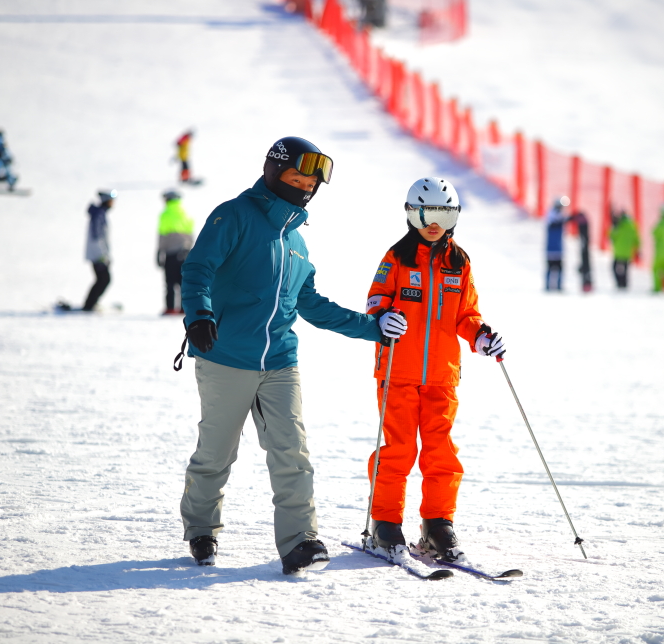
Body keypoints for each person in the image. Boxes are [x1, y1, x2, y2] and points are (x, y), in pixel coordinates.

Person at [177, 136, 406, 575]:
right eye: (295, 177)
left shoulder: (296, 240)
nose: (304, 186)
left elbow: (312, 304)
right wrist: (199, 315)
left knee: (292, 452)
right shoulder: (235, 215)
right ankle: (201, 529)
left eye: (310, 181)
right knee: (216, 453)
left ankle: (301, 541)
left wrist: (373, 328)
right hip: (226, 355)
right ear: (273, 173)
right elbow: (198, 267)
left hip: (281, 361)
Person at [364, 177, 506, 563]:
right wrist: (383, 317)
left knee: (441, 452)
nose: (434, 222)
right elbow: (376, 299)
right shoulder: (397, 257)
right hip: (398, 371)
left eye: (444, 213)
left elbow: (467, 314)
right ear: (412, 213)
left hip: (442, 376)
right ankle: (385, 523)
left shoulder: (459, 263)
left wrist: (480, 337)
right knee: (399, 450)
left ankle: (437, 524)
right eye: (426, 212)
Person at [157, 189, 194, 315]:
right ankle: (184, 308)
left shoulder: (165, 214)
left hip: (171, 254)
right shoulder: (185, 213)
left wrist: (159, 252)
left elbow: (162, 236)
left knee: (170, 283)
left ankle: (170, 308)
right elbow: (191, 235)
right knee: (183, 282)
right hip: (185, 252)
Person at [82, 190, 115, 312]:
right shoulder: (99, 215)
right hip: (98, 255)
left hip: (99, 254)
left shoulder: (100, 214)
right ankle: (89, 304)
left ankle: (90, 303)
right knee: (104, 279)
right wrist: (103, 256)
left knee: (102, 279)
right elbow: (97, 237)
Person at [544, 196, 573, 291]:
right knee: (551, 268)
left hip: (558, 249)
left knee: (559, 268)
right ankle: (549, 286)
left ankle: (558, 286)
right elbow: (556, 221)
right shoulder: (552, 217)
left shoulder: (557, 218)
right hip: (552, 249)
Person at [609, 209, 639, 289]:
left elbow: (611, 236)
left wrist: (613, 225)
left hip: (618, 251)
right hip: (628, 252)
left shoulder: (619, 225)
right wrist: (637, 250)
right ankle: (624, 283)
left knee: (615, 267)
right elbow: (636, 239)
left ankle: (619, 282)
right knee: (625, 269)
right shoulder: (633, 225)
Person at [576, 210, 593, 292]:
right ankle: (587, 283)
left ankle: (587, 283)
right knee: (586, 263)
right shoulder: (585, 227)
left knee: (586, 263)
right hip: (585, 247)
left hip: (584, 248)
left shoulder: (584, 233)